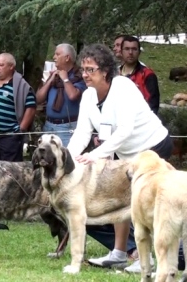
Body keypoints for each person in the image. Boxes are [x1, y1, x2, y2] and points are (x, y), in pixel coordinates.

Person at [66, 43, 176, 273]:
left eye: (90, 69)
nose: (85, 75)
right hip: (127, 156)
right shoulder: (87, 97)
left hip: (153, 147)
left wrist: (94, 156)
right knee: (121, 200)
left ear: (105, 71)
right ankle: (119, 253)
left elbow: (125, 130)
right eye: (83, 70)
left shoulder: (123, 87)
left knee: (146, 205)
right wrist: (69, 158)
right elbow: (82, 132)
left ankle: (157, 259)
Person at [0, 53, 36, 162]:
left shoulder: (21, 86)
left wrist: (21, 129)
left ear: (11, 67)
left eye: (1, 65)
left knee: (10, 172)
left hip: (9, 138)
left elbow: (31, 108)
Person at [36, 43, 86, 146]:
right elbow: (38, 98)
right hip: (49, 125)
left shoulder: (80, 76)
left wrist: (65, 79)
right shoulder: (54, 76)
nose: (54, 57)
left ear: (67, 57)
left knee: (65, 159)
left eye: (57, 54)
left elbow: (73, 95)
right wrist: (50, 80)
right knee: (47, 158)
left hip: (67, 127)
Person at [119, 35, 160, 114]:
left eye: (134, 49)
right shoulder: (114, 74)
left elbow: (153, 106)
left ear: (139, 52)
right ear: (121, 52)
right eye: (127, 49)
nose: (130, 52)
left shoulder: (147, 75)